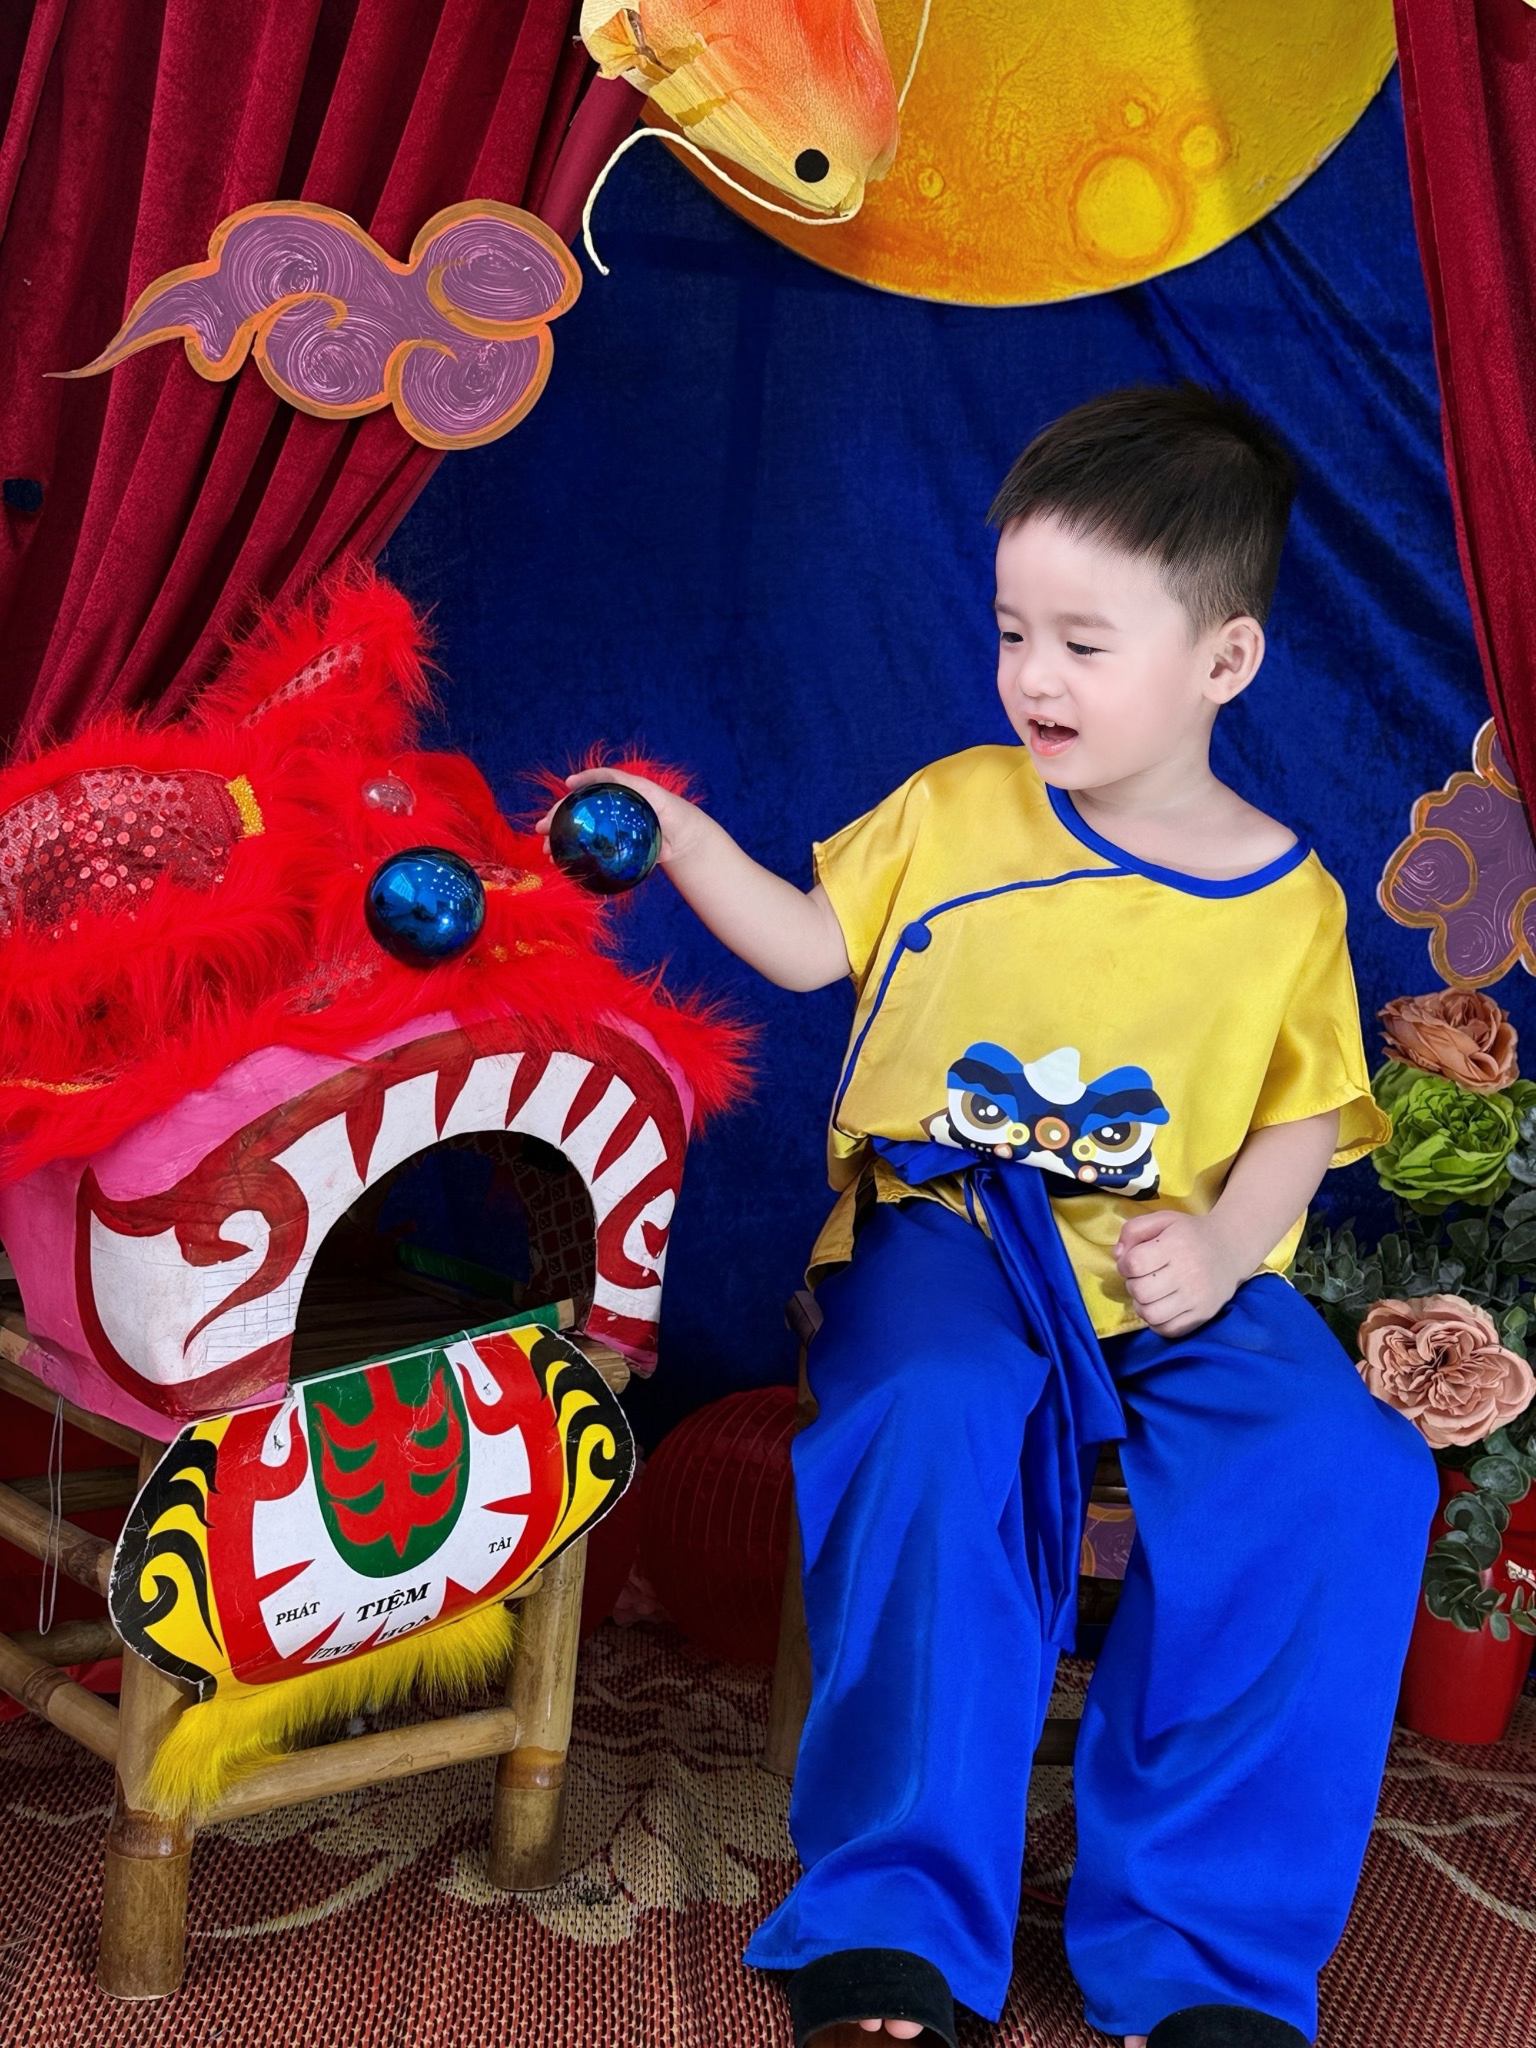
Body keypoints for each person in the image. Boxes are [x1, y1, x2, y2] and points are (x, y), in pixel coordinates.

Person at [537, 384, 1439, 2048]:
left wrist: (1225, 1247)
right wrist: (680, 838)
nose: (1034, 676)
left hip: (1175, 1271)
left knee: (1344, 1469)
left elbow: (1306, 1110)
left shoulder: (1287, 898)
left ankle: (1209, 1954)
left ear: (1225, 660)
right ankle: (895, 1918)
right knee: (936, 1414)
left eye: (1085, 643)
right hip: (955, 1239)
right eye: (1016, 630)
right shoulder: (958, 809)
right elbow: (809, 945)